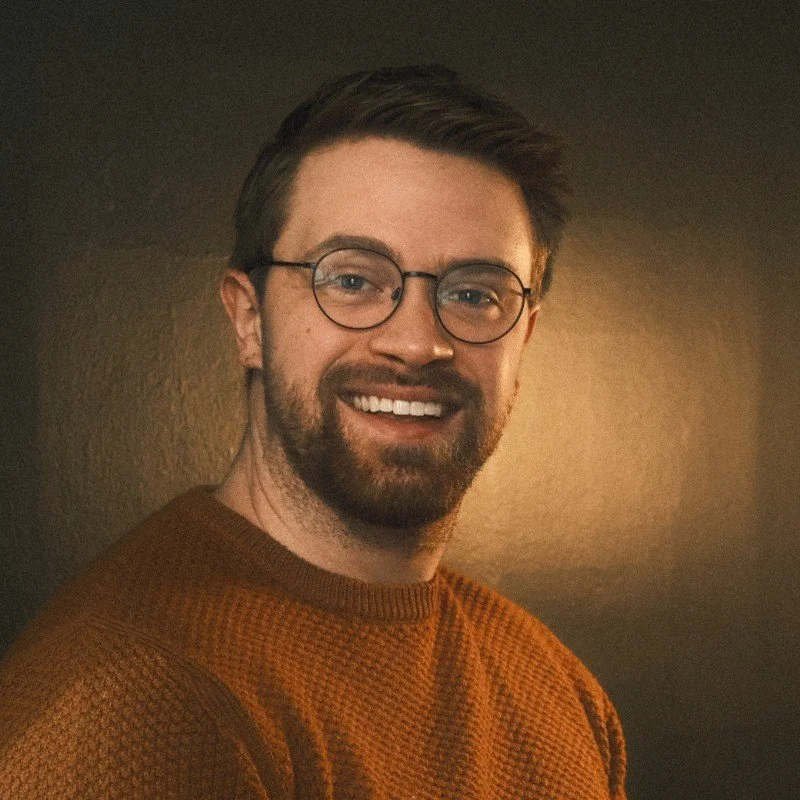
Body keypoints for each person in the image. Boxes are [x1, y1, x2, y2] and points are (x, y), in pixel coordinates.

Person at [0, 65, 627, 798]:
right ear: (249, 319)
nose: (417, 343)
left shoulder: (560, 693)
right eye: (352, 279)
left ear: (524, 340)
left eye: (473, 293)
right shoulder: (132, 708)